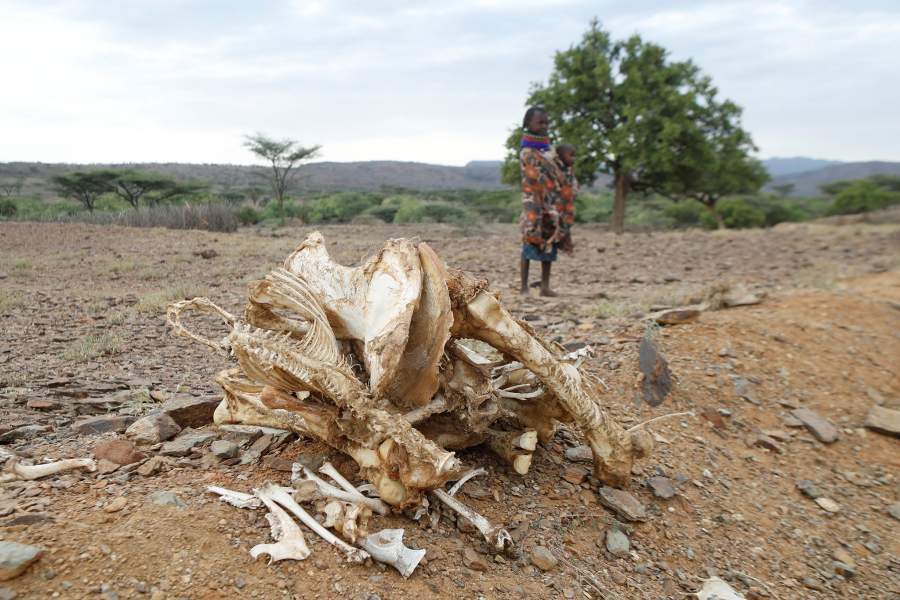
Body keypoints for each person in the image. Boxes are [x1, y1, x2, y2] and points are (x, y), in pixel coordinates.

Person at [518, 106, 563, 297]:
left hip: (550, 202)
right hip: (532, 202)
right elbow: (544, 172)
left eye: (546, 122)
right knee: (529, 239)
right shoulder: (527, 150)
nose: (544, 126)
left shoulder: (548, 149)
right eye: (540, 122)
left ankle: (545, 286)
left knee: (549, 241)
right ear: (528, 123)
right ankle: (524, 287)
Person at [553, 143, 578, 255]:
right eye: (571, 155)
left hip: (567, 204)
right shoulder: (554, 169)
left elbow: (574, 184)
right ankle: (563, 242)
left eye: (575, 155)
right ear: (559, 156)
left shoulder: (569, 170)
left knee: (567, 223)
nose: (574, 158)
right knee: (558, 224)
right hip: (556, 205)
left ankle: (566, 243)